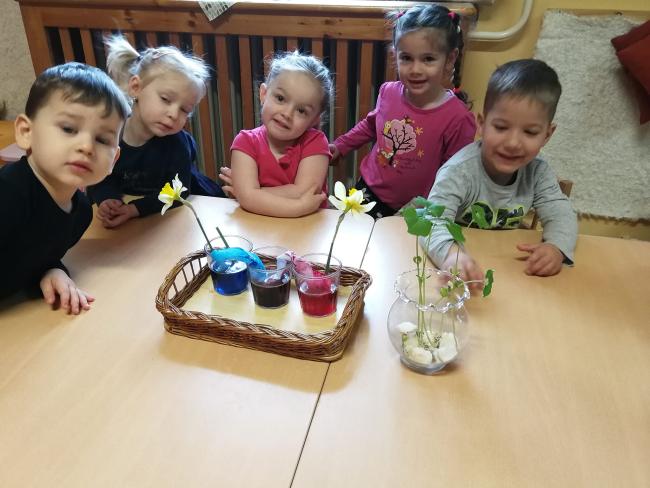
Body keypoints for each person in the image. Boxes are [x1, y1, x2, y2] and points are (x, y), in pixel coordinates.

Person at [424, 59, 578, 281]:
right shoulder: (459, 172)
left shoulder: (538, 172)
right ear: (481, 124)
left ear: (547, 135)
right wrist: (450, 255)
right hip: (464, 264)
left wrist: (556, 247)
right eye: (501, 127)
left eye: (530, 132)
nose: (513, 143)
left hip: (511, 269)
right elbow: (431, 221)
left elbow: (561, 213)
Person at [0, 62, 130, 312]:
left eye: (102, 139)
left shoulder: (81, 212)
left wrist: (51, 269)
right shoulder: (8, 193)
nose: (87, 147)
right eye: (69, 129)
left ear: (114, 160)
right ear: (26, 132)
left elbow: (32, 254)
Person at [329, 4, 477, 219]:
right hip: (367, 190)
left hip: (416, 207)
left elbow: (454, 174)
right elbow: (370, 126)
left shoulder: (459, 118)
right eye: (406, 58)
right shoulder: (388, 92)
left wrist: (424, 206)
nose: (415, 69)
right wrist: (341, 146)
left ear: (450, 59)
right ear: (395, 55)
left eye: (428, 59)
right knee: (346, 235)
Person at [87, 35, 224, 228]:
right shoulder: (109, 135)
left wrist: (134, 209)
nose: (174, 114)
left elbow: (178, 192)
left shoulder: (177, 143)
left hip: (177, 213)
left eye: (185, 110)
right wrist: (107, 199)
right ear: (136, 87)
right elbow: (100, 178)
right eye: (165, 99)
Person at [220, 51, 333, 218]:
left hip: (308, 226)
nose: (287, 114)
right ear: (263, 94)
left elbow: (304, 191)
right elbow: (247, 197)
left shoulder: (316, 142)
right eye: (280, 98)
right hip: (256, 226)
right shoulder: (245, 142)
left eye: (301, 111)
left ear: (314, 120)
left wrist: (252, 194)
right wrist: (299, 206)